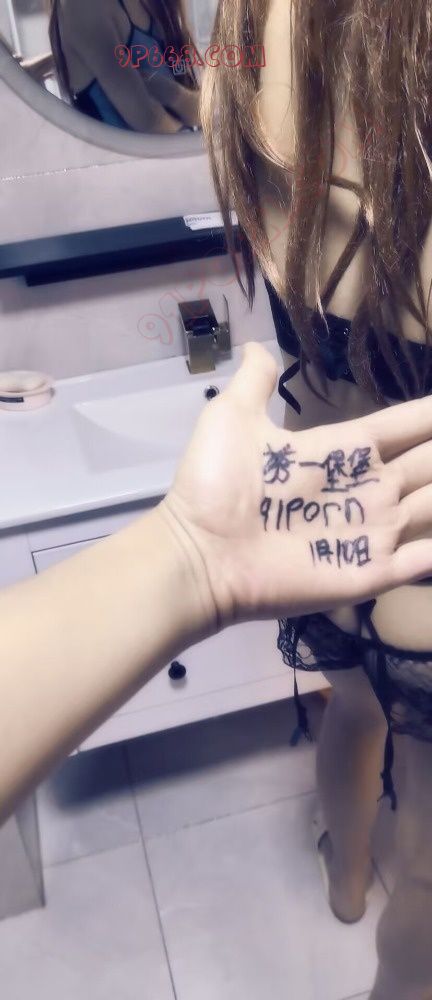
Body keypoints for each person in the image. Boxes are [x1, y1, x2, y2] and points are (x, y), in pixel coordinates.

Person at [201, 2, 432, 997]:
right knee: (430, 864)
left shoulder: (251, 22)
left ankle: (344, 883)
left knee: (354, 714)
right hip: (415, 555)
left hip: (314, 502)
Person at [3, 342, 432, 838]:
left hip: (358, 558)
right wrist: (194, 552)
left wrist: (192, 553)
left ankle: (349, 873)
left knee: (360, 720)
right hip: (351, 557)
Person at [48, 0, 201, 133]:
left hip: (175, 152)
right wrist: (180, 100)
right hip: (125, 157)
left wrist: (172, 93)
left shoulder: (160, 4)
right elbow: (149, 122)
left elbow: (201, 110)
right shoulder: (84, 5)